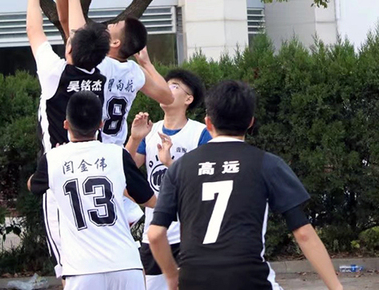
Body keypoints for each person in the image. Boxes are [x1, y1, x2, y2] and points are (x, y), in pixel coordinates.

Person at [147, 80, 343, 290]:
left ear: (208, 122)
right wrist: (336, 287)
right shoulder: (267, 163)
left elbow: (155, 234)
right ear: (250, 122)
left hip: (194, 280)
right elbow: (303, 234)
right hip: (249, 279)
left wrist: (172, 276)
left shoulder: (180, 167)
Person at [25, 0, 111, 277]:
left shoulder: (55, 74)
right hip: (96, 168)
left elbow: (34, 31)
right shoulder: (101, 75)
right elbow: (78, 33)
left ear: (70, 49)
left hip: (60, 175)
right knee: (97, 259)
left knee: (69, 269)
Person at [28, 91, 157, 290]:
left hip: (82, 269)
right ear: (100, 124)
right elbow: (149, 200)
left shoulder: (53, 159)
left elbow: (33, 186)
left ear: (66, 124)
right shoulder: (117, 154)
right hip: (125, 263)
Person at [48, 0, 173, 146]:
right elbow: (168, 97)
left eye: (115, 25)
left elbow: (69, 25)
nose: (110, 24)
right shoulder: (134, 72)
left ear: (115, 42)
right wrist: (147, 64)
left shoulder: (97, 64)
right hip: (116, 150)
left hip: (90, 144)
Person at [125, 69, 210, 290]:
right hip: (154, 233)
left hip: (188, 233)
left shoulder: (200, 133)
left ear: (188, 99)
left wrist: (170, 163)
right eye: (166, 84)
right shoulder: (150, 132)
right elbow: (124, 170)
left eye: (174, 86)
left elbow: (206, 181)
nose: (166, 88)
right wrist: (134, 139)